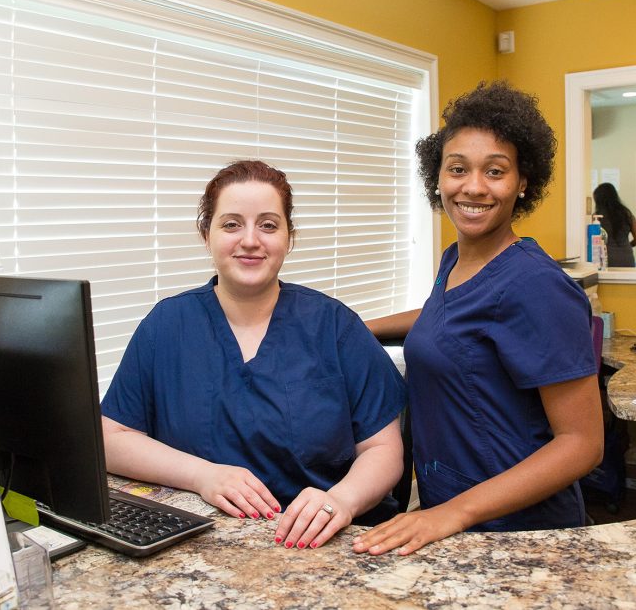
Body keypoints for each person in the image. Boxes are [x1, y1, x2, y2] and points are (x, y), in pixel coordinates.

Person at [101, 160, 407, 550]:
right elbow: (112, 437)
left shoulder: (334, 325)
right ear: (205, 234)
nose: (250, 240)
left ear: (289, 237)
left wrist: (341, 501)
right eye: (231, 224)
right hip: (202, 542)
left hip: (324, 542)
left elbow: (383, 449)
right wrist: (202, 475)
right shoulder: (167, 325)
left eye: (268, 224)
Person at [353, 81, 604, 557]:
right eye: (457, 169)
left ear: (523, 181)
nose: (473, 187)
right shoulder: (457, 259)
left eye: (495, 171)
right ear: (438, 178)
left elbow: (582, 443)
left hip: (516, 532)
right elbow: (445, 318)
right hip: (452, 512)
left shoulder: (537, 284)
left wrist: (454, 512)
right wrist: (361, 328)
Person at [592, 182, 636, 267]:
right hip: (627, 258)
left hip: (607, 259)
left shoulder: (597, 217)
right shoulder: (627, 214)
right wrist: (627, 246)